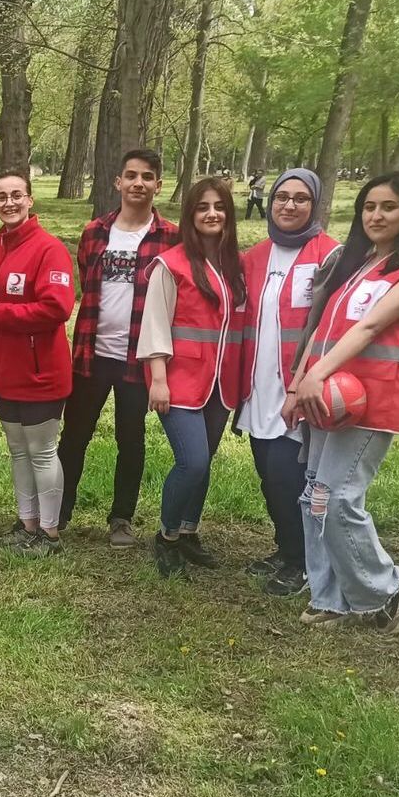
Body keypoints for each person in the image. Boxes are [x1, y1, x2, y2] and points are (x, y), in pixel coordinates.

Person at [288, 173, 399, 635]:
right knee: (314, 497)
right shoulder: (358, 266)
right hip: (328, 399)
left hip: (370, 403)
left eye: (389, 207)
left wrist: (315, 377)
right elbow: (321, 330)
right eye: (369, 206)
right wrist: (299, 385)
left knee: (337, 498)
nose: (376, 215)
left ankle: (386, 587)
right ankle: (331, 597)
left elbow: (370, 328)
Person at [58, 148, 179, 546]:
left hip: (138, 358)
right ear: (118, 182)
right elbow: (87, 286)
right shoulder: (95, 233)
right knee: (74, 435)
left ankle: (121, 518)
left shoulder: (171, 237)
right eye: (131, 176)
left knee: (131, 438)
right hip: (92, 354)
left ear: (158, 185)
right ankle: (58, 512)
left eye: (147, 177)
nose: (138, 183)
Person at [234, 169, 338, 595]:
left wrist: (302, 383)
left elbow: (330, 324)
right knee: (267, 473)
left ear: (314, 204)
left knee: (286, 476)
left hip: (297, 385)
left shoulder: (329, 254)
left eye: (300, 198)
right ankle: (285, 548)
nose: (289, 205)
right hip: (258, 385)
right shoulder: (254, 256)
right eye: (281, 197)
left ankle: (302, 562)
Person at [138, 176, 245, 578]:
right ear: (190, 214)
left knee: (206, 461)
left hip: (220, 385)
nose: (212, 214)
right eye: (203, 207)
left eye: (219, 207)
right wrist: (159, 378)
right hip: (179, 382)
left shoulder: (236, 265)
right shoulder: (172, 264)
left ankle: (188, 531)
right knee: (193, 462)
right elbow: (155, 324)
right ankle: (165, 537)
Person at [0, 170, 75, 556]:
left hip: (41, 373)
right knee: (18, 451)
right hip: (6, 370)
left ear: (30, 200)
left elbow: (59, 307)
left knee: (41, 452)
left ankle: (50, 535)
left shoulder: (49, 248)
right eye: (1, 197)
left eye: (17, 195)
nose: (9, 202)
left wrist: (3, 314)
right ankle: (27, 524)